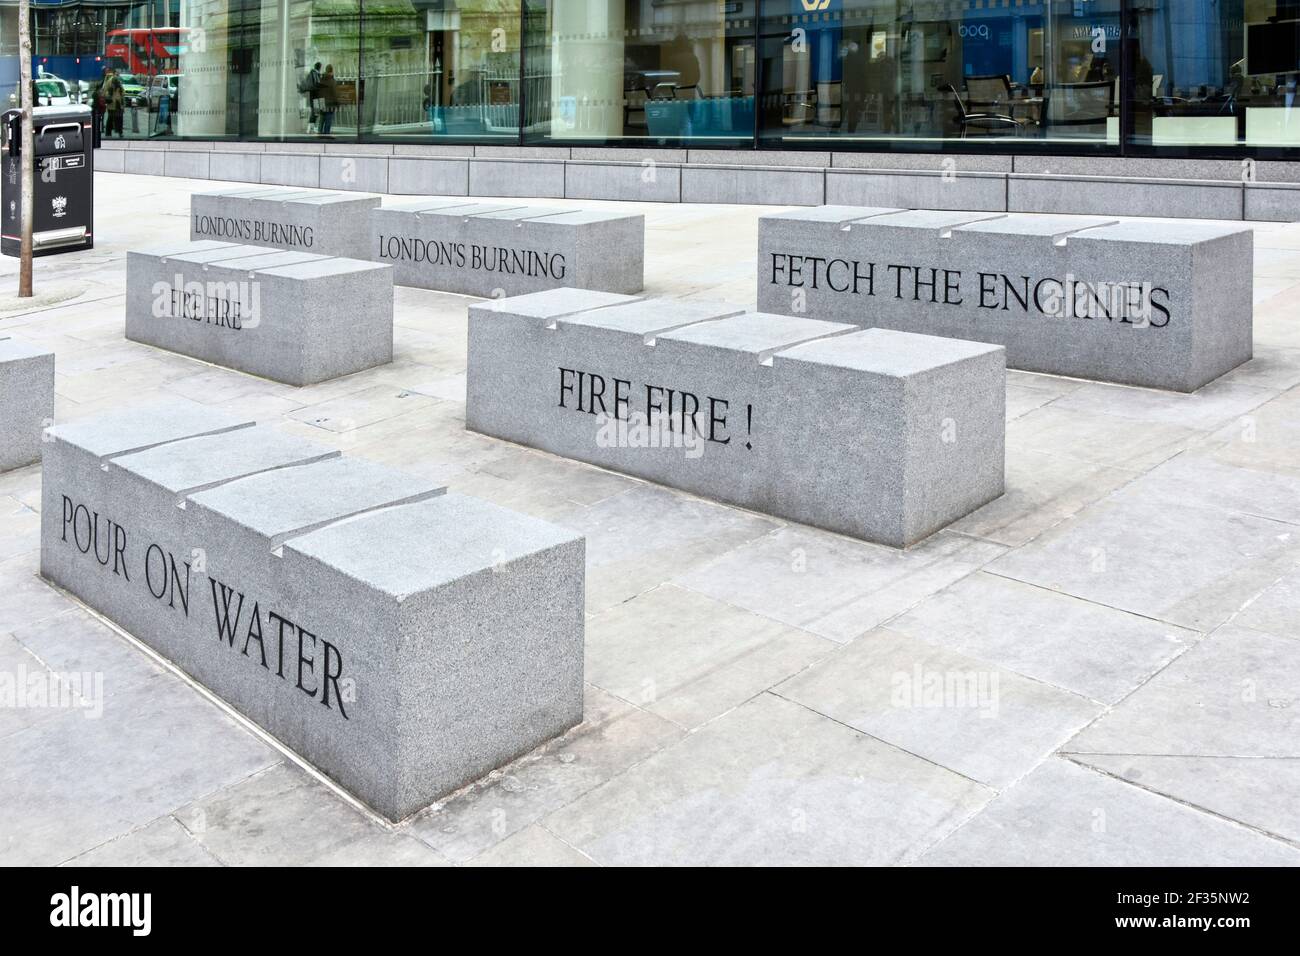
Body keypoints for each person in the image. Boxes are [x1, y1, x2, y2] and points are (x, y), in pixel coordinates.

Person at [100, 68, 125, 139]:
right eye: (117, 73)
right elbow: (104, 92)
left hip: (117, 103)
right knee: (113, 118)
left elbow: (122, 92)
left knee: (114, 118)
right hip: (114, 103)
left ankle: (114, 132)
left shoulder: (114, 82)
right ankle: (114, 132)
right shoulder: (111, 81)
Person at [317, 64, 338, 136]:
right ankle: (326, 135)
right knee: (328, 120)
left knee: (322, 119)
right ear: (331, 71)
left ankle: (319, 133)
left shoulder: (321, 80)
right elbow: (335, 93)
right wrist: (337, 102)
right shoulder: (332, 81)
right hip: (330, 104)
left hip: (322, 102)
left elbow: (318, 92)